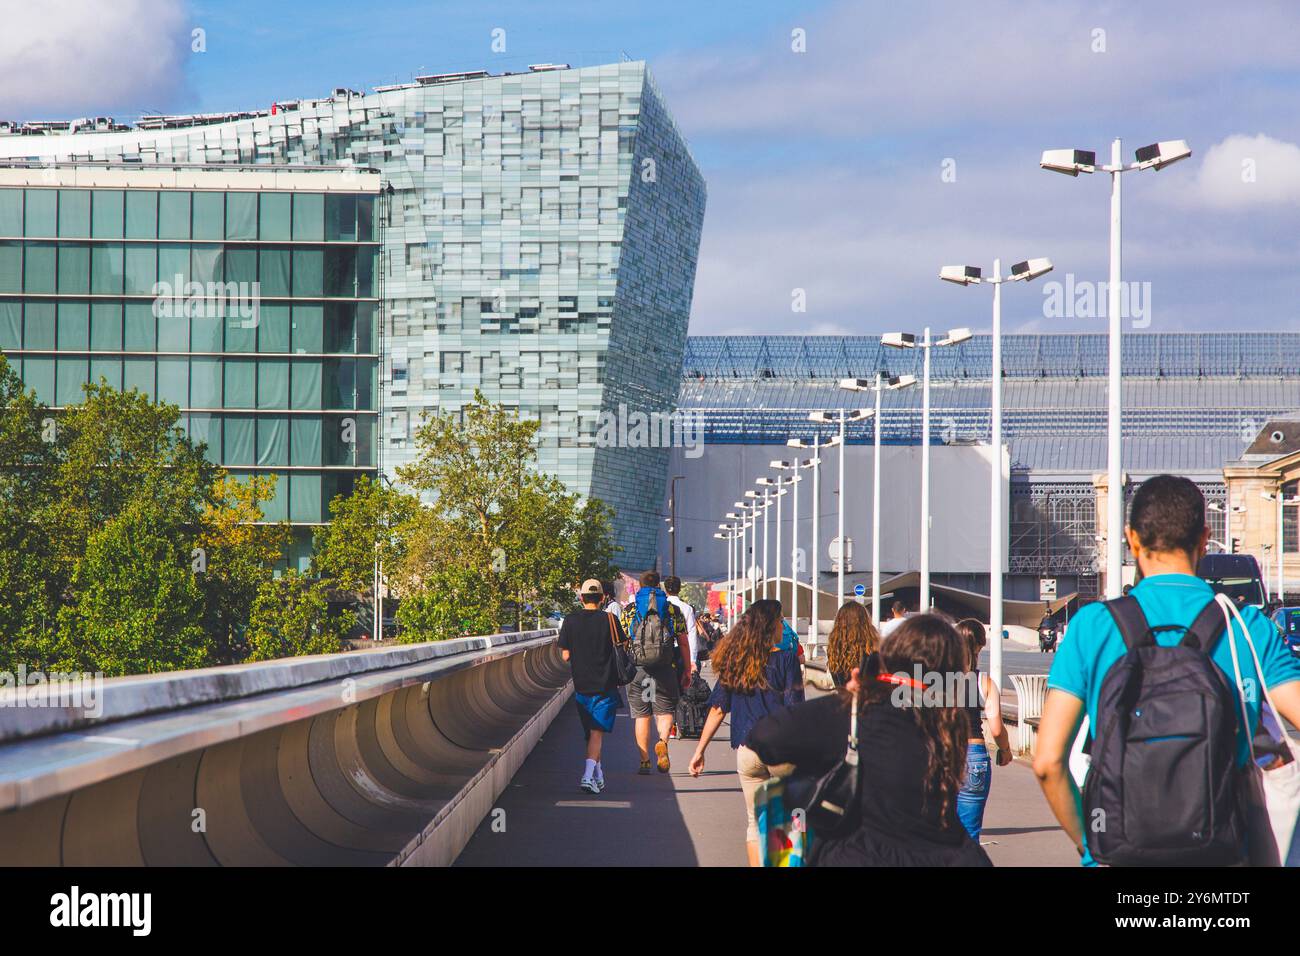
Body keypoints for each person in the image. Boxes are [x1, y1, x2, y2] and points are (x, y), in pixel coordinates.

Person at [1034, 474, 1300, 865]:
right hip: (1222, 854)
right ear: (1205, 538)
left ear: (1131, 539)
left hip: (1119, 855)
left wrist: (1090, 847)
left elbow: (1047, 763)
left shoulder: (1092, 626)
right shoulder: (1247, 626)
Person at [746, 614, 991, 866]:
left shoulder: (859, 712)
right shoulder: (947, 724)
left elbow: (765, 737)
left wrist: (847, 699)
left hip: (858, 854)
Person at [687, 599, 804, 867]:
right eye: (780, 620)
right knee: (792, 818)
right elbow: (795, 710)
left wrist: (699, 750)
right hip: (780, 749)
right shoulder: (786, 660)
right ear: (771, 625)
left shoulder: (735, 661)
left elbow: (717, 709)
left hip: (747, 750)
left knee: (754, 822)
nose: (782, 626)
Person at [557, 579, 624, 794]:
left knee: (592, 733)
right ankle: (587, 777)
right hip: (606, 686)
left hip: (581, 686)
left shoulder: (570, 620)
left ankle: (598, 774)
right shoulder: (610, 620)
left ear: (581, 598)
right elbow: (622, 646)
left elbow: (565, 655)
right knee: (597, 733)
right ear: (603, 598)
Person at [620, 570, 691, 775]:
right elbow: (684, 643)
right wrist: (687, 669)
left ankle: (644, 761)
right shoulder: (671, 609)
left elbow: (624, 642)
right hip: (665, 668)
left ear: (640, 587)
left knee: (642, 715)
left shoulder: (630, 610)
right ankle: (662, 742)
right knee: (665, 711)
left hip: (638, 669)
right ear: (658, 586)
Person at [952, 618, 1012, 841]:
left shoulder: (936, 679)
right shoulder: (983, 682)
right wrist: (1005, 750)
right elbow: (996, 729)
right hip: (973, 756)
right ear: (979, 646)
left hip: (942, 756)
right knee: (969, 836)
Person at [826, 601, 880, 687]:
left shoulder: (835, 648)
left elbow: (836, 681)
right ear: (865, 622)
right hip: (868, 697)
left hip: (844, 698)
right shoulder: (872, 648)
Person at [663, 575, 702, 678]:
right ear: (679, 589)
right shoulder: (687, 608)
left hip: (664, 652)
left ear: (665, 589)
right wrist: (692, 660)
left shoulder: (662, 606)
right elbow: (692, 634)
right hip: (681, 652)